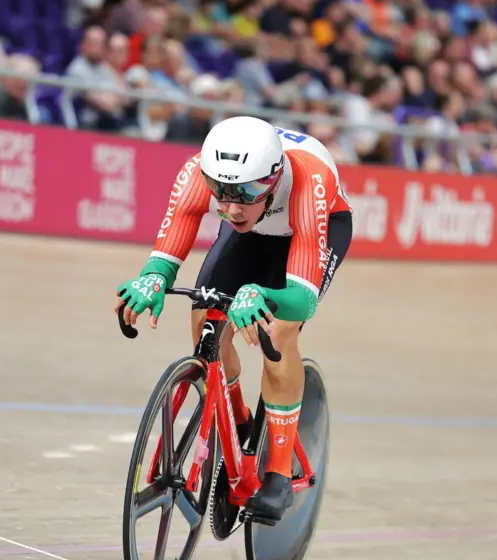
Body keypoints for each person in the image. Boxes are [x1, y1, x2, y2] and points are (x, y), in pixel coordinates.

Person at [114, 115, 353, 523]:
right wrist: (152, 279)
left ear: (272, 181)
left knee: (277, 333)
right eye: (220, 193)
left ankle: (278, 474)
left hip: (313, 229)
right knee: (204, 320)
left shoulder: (307, 181)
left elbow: (302, 302)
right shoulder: (199, 174)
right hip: (251, 235)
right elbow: (169, 248)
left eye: (245, 193)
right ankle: (240, 422)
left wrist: (262, 295)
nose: (230, 206)